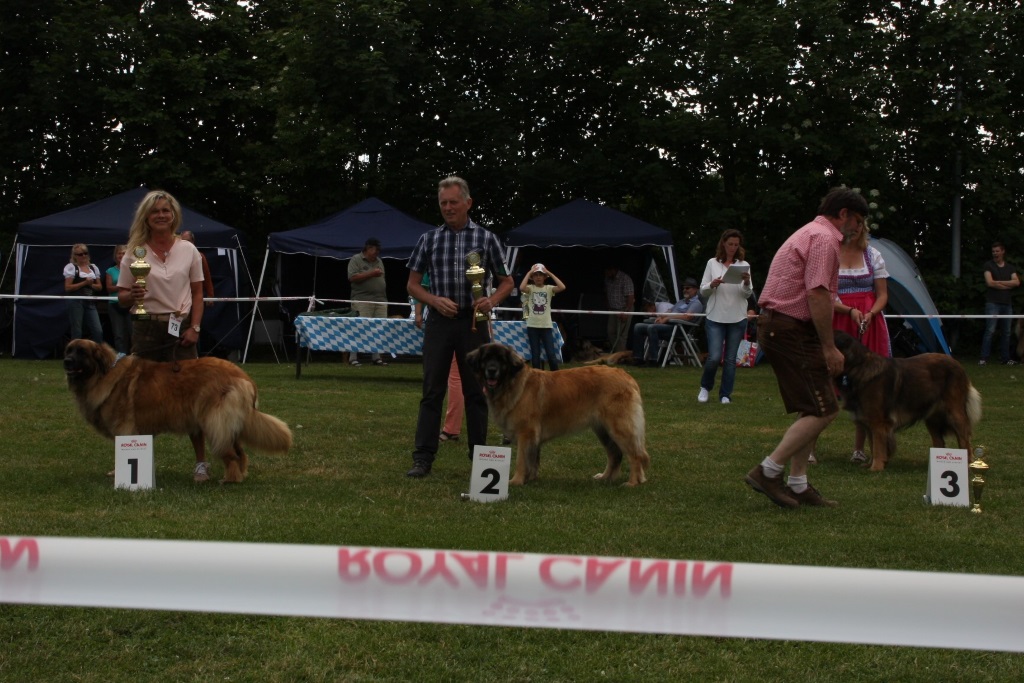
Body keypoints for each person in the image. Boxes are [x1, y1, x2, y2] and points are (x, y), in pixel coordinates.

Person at [744, 187, 869, 509]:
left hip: (783, 327)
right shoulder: (825, 239)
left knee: (812, 405)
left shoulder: (811, 232)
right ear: (843, 214)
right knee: (824, 409)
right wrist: (829, 346)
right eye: (856, 220)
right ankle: (768, 470)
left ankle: (798, 484)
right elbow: (816, 294)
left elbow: (819, 295)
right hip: (789, 329)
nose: (857, 228)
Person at [405, 176, 513, 477]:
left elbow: (507, 282)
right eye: (443, 204)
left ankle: (480, 460)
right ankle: (423, 458)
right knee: (431, 391)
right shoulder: (428, 239)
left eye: (453, 202)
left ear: (468, 203)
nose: (448, 208)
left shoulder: (487, 239)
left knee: (477, 392)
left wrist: (491, 300)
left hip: (473, 323)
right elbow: (412, 285)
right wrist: (434, 300)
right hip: (439, 322)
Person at [116, 190, 209, 482]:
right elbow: (121, 298)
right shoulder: (134, 251)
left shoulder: (188, 250)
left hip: (179, 328)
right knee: (138, 398)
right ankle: (135, 461)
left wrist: (194, 327)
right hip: (145, 327)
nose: (160, 215)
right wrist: (132, 294)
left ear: (174, 216)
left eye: (165, 211)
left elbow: (198, 292)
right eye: (155, 211)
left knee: (191, 395)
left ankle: (201, 463)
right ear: (146, 216)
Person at [830, 219, 891, 464]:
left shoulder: (873, 255)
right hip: (838, 320)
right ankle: (808, 447)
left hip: (869, 321)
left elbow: (883, 294)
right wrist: (849, 311)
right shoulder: (831, 255)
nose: (853, 231)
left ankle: (860, 449)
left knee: (868, 387)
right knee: (825, 382)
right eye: (849, 227)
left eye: (858, 227)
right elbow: (826, 296)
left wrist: (871, 313)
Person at [698, 229, 754, 404]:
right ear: (723, 243)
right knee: (714, 357)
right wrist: (712, 284)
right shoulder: (712, 263)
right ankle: (705, 387)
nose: (733, 247)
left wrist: (746, 282)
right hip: (715, 316)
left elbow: (747, 294)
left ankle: (725, 394)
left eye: (736, 245)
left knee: (730, 359)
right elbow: (702, 290)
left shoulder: (744, 264)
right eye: (730, 244)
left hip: (737, 317)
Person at [413, 273, 463, 443]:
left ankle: (451, 429)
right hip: (449, 323)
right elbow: (417, 287)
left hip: (454, 324)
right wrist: (419, 313)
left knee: (455, 379)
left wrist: (419, 313)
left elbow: (418, 287)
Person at [631, 277, 703, 366]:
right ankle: (638, 358)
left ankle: (653, 360)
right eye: (684, 288)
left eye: (687, 288)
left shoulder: (696, 303)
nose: (685, 290)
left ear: (695, 289)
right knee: (638, 326)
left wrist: (667, 318)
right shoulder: (681, 301)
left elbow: (687, 317)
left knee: (652, 327)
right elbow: (669, 311)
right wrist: (661, 316)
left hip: (680, 329)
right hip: (668, 326)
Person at [348, 236, 389, 366]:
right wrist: (371, 273)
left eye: (378, 251)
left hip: (380, 300)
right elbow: (352, 277)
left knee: (378, 328)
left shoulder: (379, 261)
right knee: (359, 328)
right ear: (368, 248)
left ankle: (376, 357)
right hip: (362, 300)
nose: (377, 254)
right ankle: (353, 357)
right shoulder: (356, 259)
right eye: (375, 251)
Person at [519, 263, 566, 370]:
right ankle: (537, 378)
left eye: (541, 275)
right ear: (532, 278)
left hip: (546, 326)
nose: (538, 277)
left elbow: (562, 287)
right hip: (532, 326)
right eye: (535, 275)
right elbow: (521, 287)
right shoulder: (530, 288)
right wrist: (528, 273)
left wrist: (549, 273)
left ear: (545, 277)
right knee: (535, 355)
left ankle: (556, 376)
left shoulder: (549, 288)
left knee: (551, 354)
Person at [979, 241, 1019, 366]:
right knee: (990, 330)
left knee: (1006, 332)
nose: (995, 253)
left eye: (997, 251)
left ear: (1003, 251)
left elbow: (1017, 282)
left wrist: (999, 283)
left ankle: (1005, 358)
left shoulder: (1010, 268)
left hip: (1007, 303)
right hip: (993, 303)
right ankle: (984, 358)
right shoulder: (988, 265)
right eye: (993, 251)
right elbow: (990, 283)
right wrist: (1008, 284)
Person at [63, 243, 104, 342]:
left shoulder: (93, 268)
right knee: (77, 331)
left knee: (98, 331)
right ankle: (74, 355)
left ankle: (97, 355)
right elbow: (67, 288)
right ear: (75, 256)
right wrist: (84, 283)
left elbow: (99, 287)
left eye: (85, 253)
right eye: (80, 254)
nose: (84, 256)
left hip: (90, 301)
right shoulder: (71, 268)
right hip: (76, 301)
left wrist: (90, 285)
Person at [105, 244, 132, 358]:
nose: (121, 255)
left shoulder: (133, 269)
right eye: (119, 253)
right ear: (115, 255)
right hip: (115, 305)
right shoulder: (110, 271)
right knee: (119, 334)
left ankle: (134, 356)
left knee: (133, 332)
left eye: (123, 253)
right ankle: (121, 357)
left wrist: (121, 286)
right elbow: (109, 288)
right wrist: (123, 286)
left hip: (130, 304)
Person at [603, 264, 634, 352]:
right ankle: (617, 351)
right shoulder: (607, 279)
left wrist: (626, 312)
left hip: (624, 308)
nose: (606, 274)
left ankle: (620, 355)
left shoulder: (625, 279)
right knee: (611, 332)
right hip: (613, 309)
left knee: (622, 334)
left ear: (613, 270)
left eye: (607, 272)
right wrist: (608, 306)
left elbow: (630, 297)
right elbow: (606, 292)